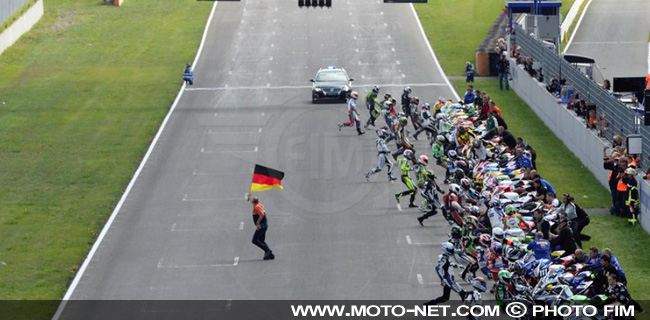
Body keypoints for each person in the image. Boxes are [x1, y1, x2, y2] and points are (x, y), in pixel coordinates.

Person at [246, 194, 274, 260]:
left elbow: (261, 214)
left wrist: (258, 223)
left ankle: (268, 251)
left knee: (254, 240)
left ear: (253, 202)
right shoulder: (259, 205)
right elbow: (255, 204)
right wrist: (249, 198)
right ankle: (269, 254)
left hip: (261, 226)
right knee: (261, 240)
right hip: (264, 225)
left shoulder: (256, 207)